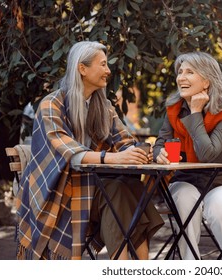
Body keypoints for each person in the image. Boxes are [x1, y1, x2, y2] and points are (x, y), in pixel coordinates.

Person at [15, 41, 164, 260]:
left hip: (94, 191)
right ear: (82, 69)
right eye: (103, 64)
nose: (108, 71)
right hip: (58, 195)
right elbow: (70, 154)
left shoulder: (102, 107)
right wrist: (114, 158)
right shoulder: (52, 104)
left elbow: (124, 141)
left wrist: (141, 152)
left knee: (125, 189)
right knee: (119, 193)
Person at [153, 51, 222, 260]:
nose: (181, 77)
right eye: (180, 72)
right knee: (184, 200)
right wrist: (160, 154)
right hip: (186, 180)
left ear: (206, 81)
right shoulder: (174, 109)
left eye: (189, 72)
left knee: (220, 208)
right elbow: (159, 144)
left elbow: (207, 154)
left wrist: (195, 113)